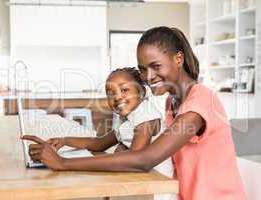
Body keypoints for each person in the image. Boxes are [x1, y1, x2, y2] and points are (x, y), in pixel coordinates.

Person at [22, 26, 246, 200]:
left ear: (178, 59)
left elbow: (144, 159)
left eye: (156, 66)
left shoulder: (199, 103)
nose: (148, 77)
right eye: (142, 69)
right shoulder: (172, 101)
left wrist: (62, 163)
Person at [23, 67, 173, 177]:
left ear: (141, 92)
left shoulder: (146, 117)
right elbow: (99, 143)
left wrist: (61, 162)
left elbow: (132, 160)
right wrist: (63, 140)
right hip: (141, 181)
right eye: (110, 93)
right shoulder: (128, 118)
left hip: (157, 187)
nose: (117, 97)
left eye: (124, 90)